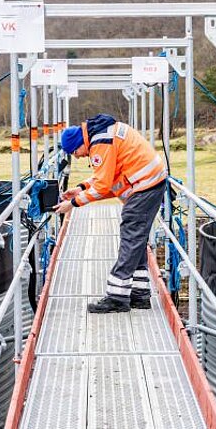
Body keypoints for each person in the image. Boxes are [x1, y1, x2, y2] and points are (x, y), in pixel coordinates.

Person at [54, 114, 167, 313]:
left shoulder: (100, 142)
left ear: (81, 143)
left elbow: (103, 184)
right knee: (137, 239)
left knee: (130, 237)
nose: (78, 157)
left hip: (145, 186)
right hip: (150, 182)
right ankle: (140, 295)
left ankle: (117, 297)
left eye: (75, 152)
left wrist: (72, 203)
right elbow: (107, 176)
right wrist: (81, 188)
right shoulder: (103, 134)